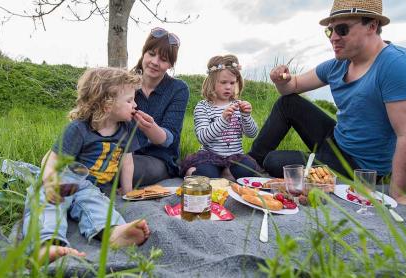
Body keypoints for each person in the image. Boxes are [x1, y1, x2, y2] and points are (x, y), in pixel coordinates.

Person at [248, 0, 406, 206]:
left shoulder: (398, 66)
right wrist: (282, 81)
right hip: (336, 140)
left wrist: (398, 194)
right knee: (288, 103)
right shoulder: (338, 64)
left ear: (372, 26)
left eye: (342, 29)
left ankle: (312, 172)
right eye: (329, 31)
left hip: (358, 165)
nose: (333, 37)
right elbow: (293, 85)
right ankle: (248, 163)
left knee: (275, 161)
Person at [23, 68, 151, 262]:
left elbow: (127, 161)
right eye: (129, 100)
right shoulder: (79, 129)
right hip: (68, 177)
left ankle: (113, 232)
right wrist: (49, 183)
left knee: (97, 204)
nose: (135, 104)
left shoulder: (127, 128)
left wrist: (127, 192)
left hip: (91, 189)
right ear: (107, 104)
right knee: (47, 201)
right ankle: (46, 243)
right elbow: (53, 161)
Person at [181, 55, 260, 179]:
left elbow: (252, 133)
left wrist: (246, 116)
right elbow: (203, 137)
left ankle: (225, 173)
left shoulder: (238, 105)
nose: (228, 87)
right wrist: (222, 120)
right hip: (210, 156)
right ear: (212, 83)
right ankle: (192, 172)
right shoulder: (203, 107)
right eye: (223, 82)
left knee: (248, 169)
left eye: (232, 83)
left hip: (235, 156)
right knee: (207, 174)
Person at [130, 27, 190, 186]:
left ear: (170, 64)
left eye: (163, 59)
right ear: (143, 53)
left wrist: (150, 128)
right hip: (122, 153)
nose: (155, 62)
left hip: (158, 158)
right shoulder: (126, 83)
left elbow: (170, 138)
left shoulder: (178, 89)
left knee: (118, 169)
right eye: (151, 54)